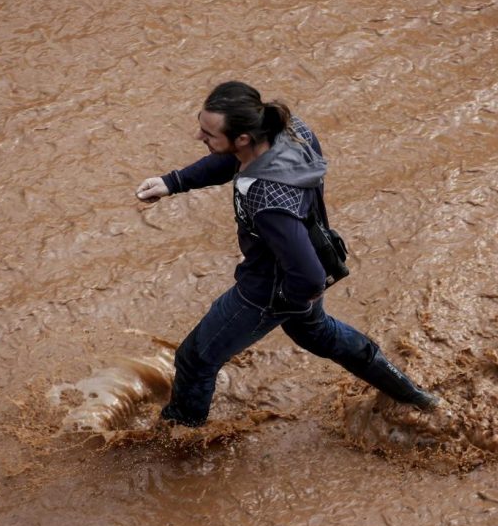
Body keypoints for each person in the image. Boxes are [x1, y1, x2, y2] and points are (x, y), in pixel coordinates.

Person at [136, 81, 439, 427]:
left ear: (244, 138)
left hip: (268, 289)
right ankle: (413, 396)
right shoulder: (291, 131)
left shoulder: (267, 200)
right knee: (318, 332)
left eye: (208, 134)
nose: (199, 137)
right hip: (304, 259)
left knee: (195, 359)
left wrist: (280, 302)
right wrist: (174, 181)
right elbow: (232, 160)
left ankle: (180, 436)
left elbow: (308, 275)